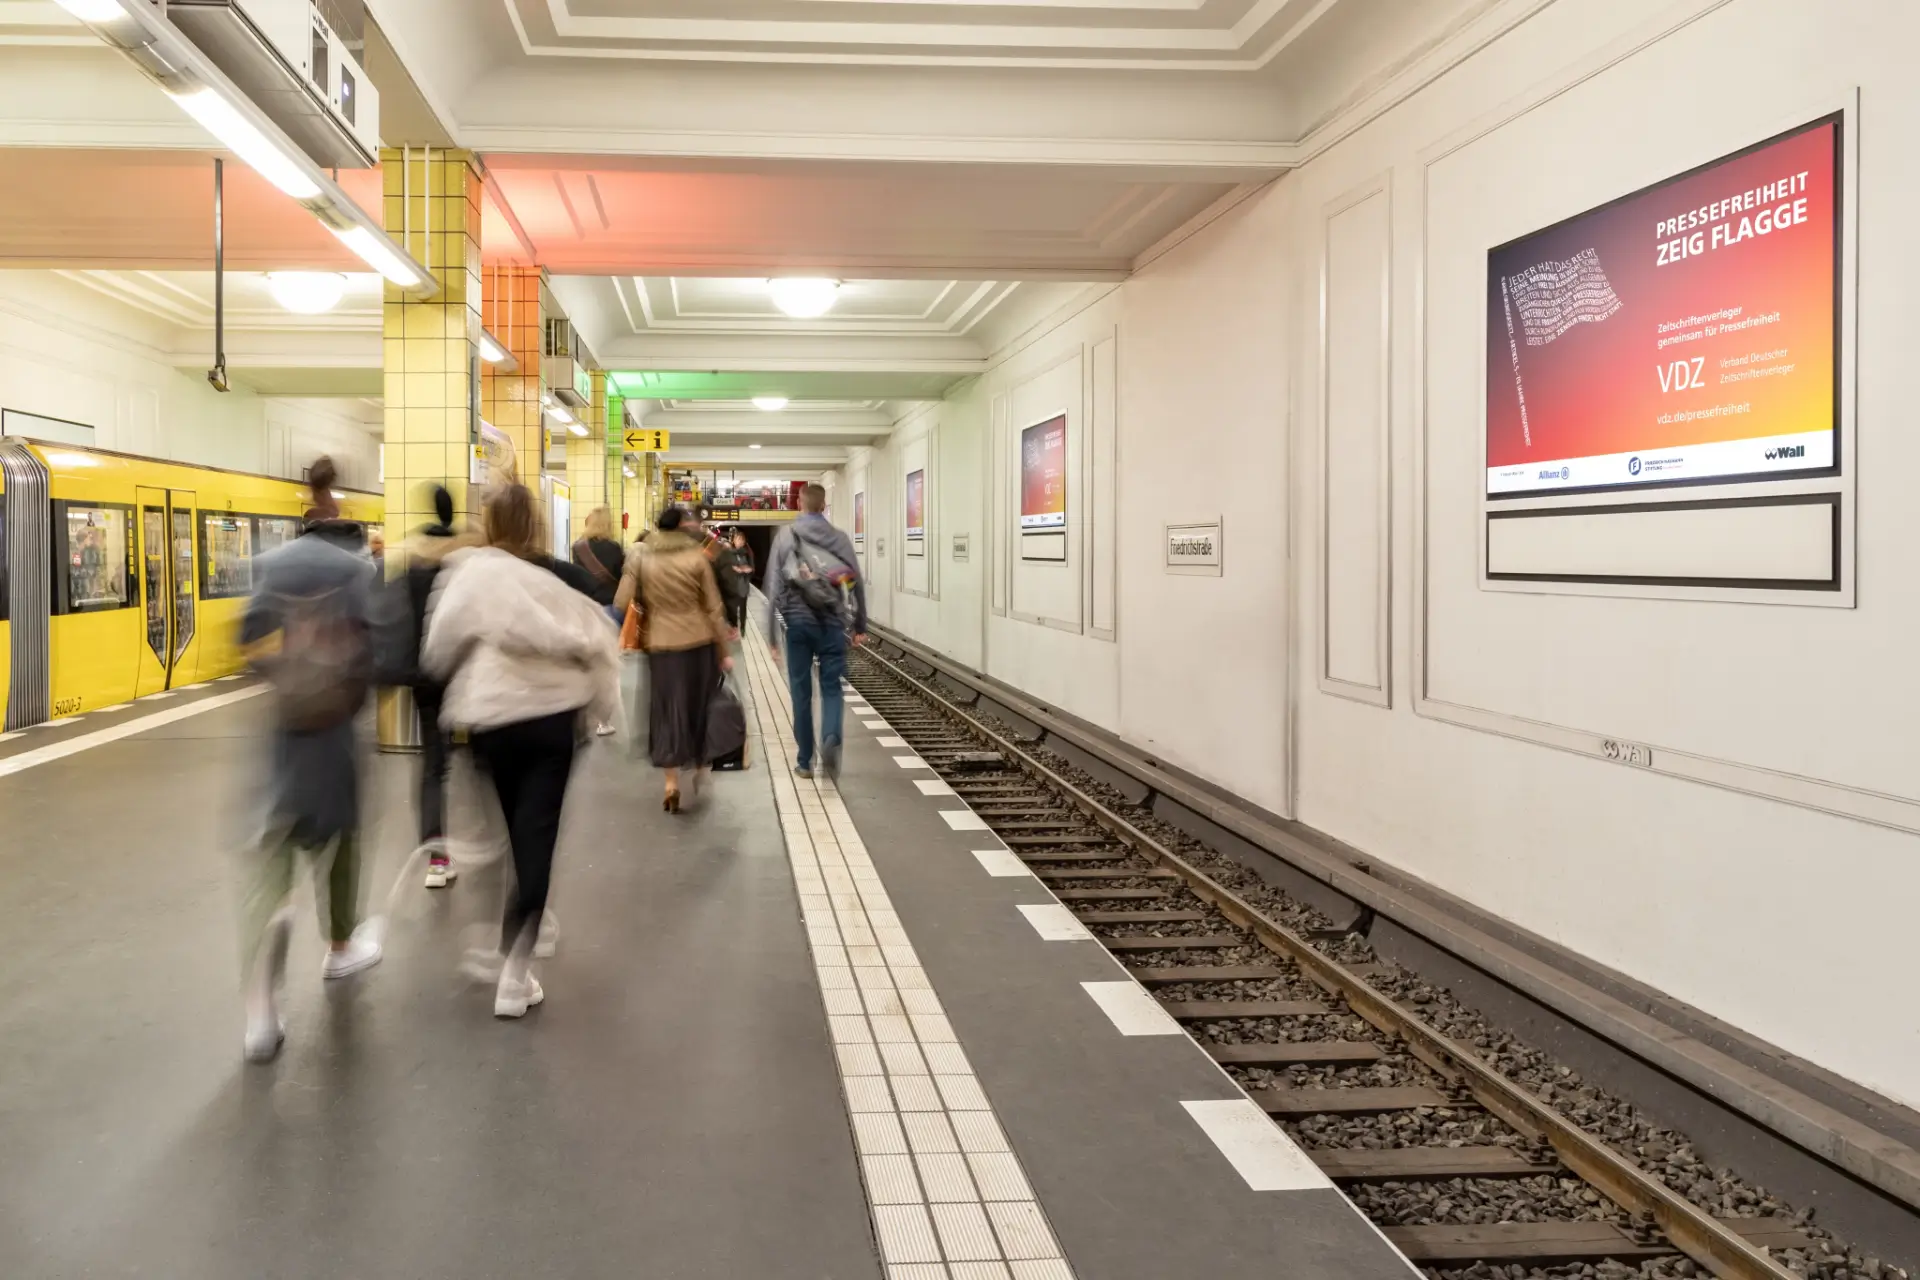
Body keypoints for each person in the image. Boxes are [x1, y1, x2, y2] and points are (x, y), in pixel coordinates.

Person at [422, 484, 619, 1018]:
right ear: (534, 526)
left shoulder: (470, 574)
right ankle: (515, 971)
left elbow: (436, 650)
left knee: (509, 833)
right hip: (552, 722)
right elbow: (599, 643)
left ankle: (508, 935)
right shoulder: (555, 579)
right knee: (536, 840)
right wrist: (601, 712)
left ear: (489, 524)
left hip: (492, 721)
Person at [236, 460, 382, 1063]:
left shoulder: (272, 565)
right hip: (336, 727)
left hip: (286, 731)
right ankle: (340, 947)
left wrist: (281, 675)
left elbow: (247, 640)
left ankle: (261, 1008)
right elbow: (376, 649)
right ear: (342, 518)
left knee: (276, 848)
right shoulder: (356, 571)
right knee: (342, 838)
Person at [613, 506, 734, 812]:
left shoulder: (642, 557)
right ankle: (700, 767)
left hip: (662, 644)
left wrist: (646, 602)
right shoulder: (696, 557)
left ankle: (670, 783)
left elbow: (621, 601)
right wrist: (723, 651)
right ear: (682, 527)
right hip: (699, 641)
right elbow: (714, 608)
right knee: (698, 706)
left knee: (667, 708)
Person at [763, 483, 867, 781]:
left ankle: (805, 761)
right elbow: (856, 582)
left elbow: (773, 587)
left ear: (799, 503)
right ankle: (831, 735)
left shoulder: (786, 536)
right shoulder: (839, 538)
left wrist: (772, 637)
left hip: (797, 624)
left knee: (801, 693)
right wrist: (859, 625)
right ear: (823, 506)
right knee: (832, 687)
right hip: (832, 622)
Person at [396, 484, 467, 888]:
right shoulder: (463, 561)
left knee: (432, 767)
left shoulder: (412, 562)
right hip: (461, 673)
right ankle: (497, 848)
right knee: (479, 762)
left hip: (423, 675)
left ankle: (436, 860)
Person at [572, 506, 624, 607]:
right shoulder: (614, 547)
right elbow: (620, 577)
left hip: (585, 602)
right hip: (608, 603)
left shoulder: (578, 547)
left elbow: (576, 577)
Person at [717, 527, 755, 633]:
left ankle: (742, 627)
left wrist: (744, 570)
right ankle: (733, 626)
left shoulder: (748, 553)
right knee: (731, 607)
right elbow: (724, 567)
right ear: (733, 540)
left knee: (742, 607)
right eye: (738, 539)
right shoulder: (728, 552)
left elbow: (752, 568)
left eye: (742, 539)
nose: (740, 542)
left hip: (743, 585)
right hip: (731, 585)